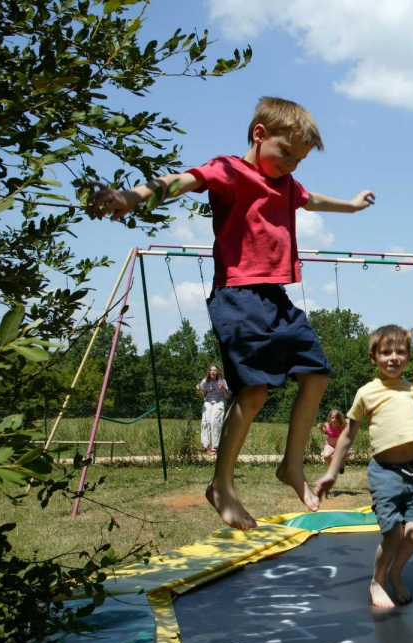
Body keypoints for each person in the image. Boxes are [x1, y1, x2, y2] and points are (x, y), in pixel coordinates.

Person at [88, 96, 375, 530]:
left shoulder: (286, 185)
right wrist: (130, 196)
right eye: (286, 154)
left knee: (317, 376)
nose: (292, 166)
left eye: (299, 160)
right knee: (254, 391)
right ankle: (221, 485)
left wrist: (351, 206)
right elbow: (180, 181)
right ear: (260, 135)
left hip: (275, 297)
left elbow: (312, 200)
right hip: (237, 296)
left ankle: (291, 465)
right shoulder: (229, 170)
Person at [315, 325, 413, 609]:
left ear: (408, 356)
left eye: (400, 351)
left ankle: (396, 573)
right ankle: (377, 581)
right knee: (393, 533)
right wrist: (331, 472)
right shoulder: (367, 393)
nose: (393, 357)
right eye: (386, 352)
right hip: (385, 472)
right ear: (374, 357)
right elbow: (346, 436)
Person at [196, 364, 231, 453]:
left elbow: (227, 396)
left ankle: (215, 447)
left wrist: (222, 388)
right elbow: (203, 394)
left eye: (215, 370)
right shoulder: (205, 381)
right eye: (211, 370)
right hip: (208, 402)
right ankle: (205, 445)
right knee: (206, 422)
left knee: (214, 422)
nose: (213, 372)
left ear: (218, 372)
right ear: (208, 372)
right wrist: (198, 389)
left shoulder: (222, 381)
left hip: (219, 402)